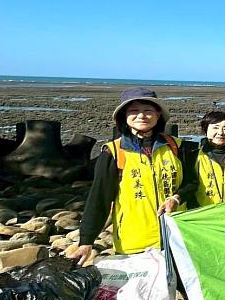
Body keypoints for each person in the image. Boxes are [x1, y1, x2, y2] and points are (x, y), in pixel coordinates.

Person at [70, 88, 185, 264]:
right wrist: (86, 241)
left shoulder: (175, 146)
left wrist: (177, 197)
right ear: (124, 116)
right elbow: (99, 198)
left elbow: (192, 182)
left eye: (148, 110)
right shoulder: (113, 152)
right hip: (134, 242)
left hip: (177, 238)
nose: (141, 116)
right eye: (134, 110)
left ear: (158, 114)